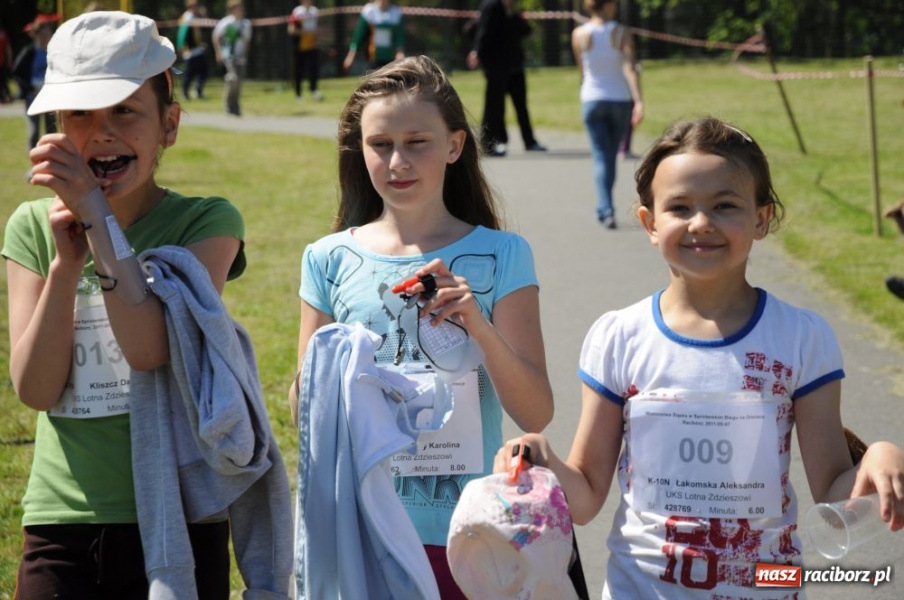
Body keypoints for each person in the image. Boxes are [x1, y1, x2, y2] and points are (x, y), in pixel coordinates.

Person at [493, 117, 904, 598]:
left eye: (725, 205)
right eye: (680, 207)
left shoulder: (801, 337)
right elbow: (583, 499)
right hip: (639, 589)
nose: (701, 222)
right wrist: (541, 456)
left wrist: (881, 455)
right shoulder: (620, 337)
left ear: (762, 218)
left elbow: (834, 493)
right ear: (649, 223)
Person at [3, 11, 249, 597]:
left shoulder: (206, 222)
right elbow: (35, 390)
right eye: (80, 114)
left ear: (169, 125)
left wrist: (97, 216)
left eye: (124, 111)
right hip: (64, 515)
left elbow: (148, 349)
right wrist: (66, 265)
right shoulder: (32, 227)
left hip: (179, 517)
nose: (102, 131)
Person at [290, 55, 554, 598]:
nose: (397, 162)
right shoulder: (329, 257)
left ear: (455, 145)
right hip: (361, 526)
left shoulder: (502, 253)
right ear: (358, 149)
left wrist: (476, 325)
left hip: (465, 531)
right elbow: (303, 411)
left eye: (418, 142)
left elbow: (536, 411)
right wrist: (339, 367)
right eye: (380, 144)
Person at [572, 0, 642, 229]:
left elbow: (582, 70)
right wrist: (638, 100)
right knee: (609, 156)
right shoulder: (621, 32)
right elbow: (630, 68)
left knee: (602, 157)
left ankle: (606, 208)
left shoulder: (579, 34)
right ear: (610, 5)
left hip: (592, 98)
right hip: (619, 99)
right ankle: (606, 207)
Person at [467, 0, 546, 157]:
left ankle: (529, 141)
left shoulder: (509, 9)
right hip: (496, 65)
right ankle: (489, 144)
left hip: (514, 65)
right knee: (494, 106)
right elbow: (484, 31)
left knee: (521, 105)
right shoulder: (491, 6)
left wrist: (513, 14)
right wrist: (476, 51)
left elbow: (523, 30)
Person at [12, 15, 58, 153]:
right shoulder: (29, 52)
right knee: (34, 131)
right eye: (42, 35)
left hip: (50, 98)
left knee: (52, 131)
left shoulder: (55, 52)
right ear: (36, 35)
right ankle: (35, 165)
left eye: (48, 34)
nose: (45, 38)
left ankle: (54, 161)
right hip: (33, 98)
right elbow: (16, 73)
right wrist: (30, 88)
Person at [213, 0, 252, 116]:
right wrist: (218, 52)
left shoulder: (246, 23)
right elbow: (216, 37)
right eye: (237, 8)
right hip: (229, 55)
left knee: (239, 82)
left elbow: (247, 41)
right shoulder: (226, 22)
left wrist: (245, 54)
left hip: (240, 56)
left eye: (241, 8)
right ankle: (229, 104)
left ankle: (236, 105)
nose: (240, 10)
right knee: (233, 78)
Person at [342, 0, 405, 73]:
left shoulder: (396, 12)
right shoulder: (369, 11)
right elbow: (358, 37)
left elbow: (399, 36)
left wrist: (400, 53)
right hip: (373, 58)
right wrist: (350, 56)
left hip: (390, 58)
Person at [288, 0, 322, 101]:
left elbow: (317, 28)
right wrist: (302, 32)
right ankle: (298, 94)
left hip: (312, 44)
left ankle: (314, 90)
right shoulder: (297, 12)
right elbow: (291, 29)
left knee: (313, 69)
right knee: (299, 70)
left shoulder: (315, 11)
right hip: (300, 45)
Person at [177, 0, 209, 100]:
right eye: (194, 6)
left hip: (198, 50)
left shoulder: (196, 16)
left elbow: (204, 29)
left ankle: (198, 92)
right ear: (190, 6)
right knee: (189, 74)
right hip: (190, 51)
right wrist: (181, 47)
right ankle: (185, 93)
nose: (196, 7)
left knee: (202, 72)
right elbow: (182, 35)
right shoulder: (187, 17)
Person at [0, 22, 13, 103]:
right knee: (3, 81)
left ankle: (4, 97)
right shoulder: (3, 34)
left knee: (2, 81)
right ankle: (7, 96)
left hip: (1, 62)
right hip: (2, 62)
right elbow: (8, 50)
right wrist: (9, 61)